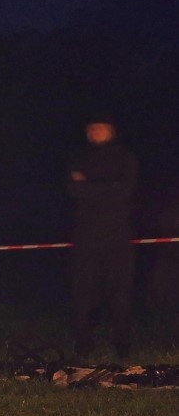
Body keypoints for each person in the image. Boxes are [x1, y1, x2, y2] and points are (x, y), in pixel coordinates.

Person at [67, 111, 138, 358]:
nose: (95, 132)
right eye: (91, 128)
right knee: (83, 291)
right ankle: (83, 343)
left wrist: (89, 185)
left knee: (120, 291)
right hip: (85, 235)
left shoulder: (125, 157)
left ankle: (123, 344)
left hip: (118, 235)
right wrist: (106, 186)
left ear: (111, 130)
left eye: (100, 127)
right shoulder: (78, 157)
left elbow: (124, 191)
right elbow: (73, 190)